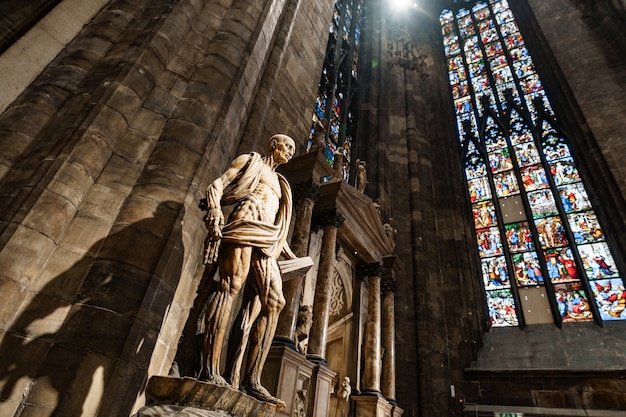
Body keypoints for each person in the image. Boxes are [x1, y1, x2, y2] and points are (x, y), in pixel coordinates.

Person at [201, 134, 297, 406]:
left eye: (292, 149)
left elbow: (275, 217)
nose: (290, 151)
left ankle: (251, 380)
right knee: (229, 287)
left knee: (276, 302)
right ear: (273, 145)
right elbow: (218, 184)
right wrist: (214, 210)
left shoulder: (281, 184)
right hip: (244, 223)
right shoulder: (251, 161)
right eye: (286, 146)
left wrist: (289, 252)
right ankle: (209, 370)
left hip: (266, 238)